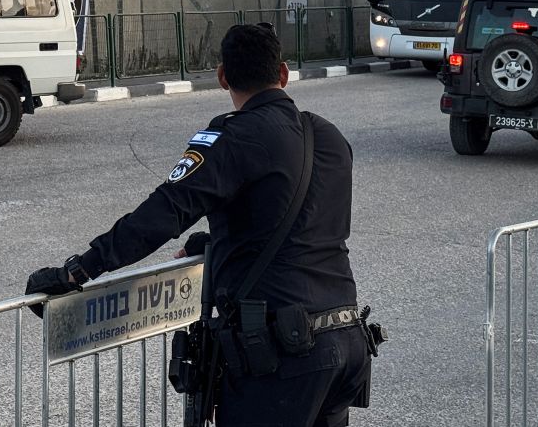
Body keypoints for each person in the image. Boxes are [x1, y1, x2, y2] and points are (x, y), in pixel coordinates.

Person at [25, 23, 370, 426]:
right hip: (346, 341)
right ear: (283, 73)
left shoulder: (233, 136)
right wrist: (215, 242)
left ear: (223, 77)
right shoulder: (328, 136)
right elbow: (304, 225)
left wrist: (77, 270)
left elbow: (162, 213)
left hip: (282, 358)